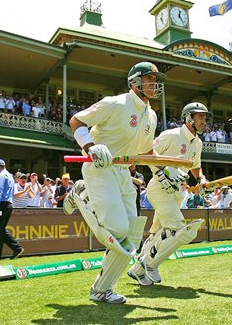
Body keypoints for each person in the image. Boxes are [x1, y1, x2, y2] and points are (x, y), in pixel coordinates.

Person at [63, 62, 165, 304]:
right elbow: (76, 121)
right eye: (149, 78)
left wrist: (162, 172)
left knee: (131, 235)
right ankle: (80, 192)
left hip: (122, 173)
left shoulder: (151, 115)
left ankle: (101, 290)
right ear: (134, 82)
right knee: (118, 229)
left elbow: (144, 151)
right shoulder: (115, 102)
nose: (154, 83)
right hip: (100, 167)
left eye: (155, 79)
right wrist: (90, 146)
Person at [129, 102, 210, 286]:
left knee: (158, 231)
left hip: (175, 191)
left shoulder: (197, 143)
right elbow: (147, 152)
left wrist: (201, 179)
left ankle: (137, 271)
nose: (204, 121)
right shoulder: (171, 135)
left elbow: (195, 166)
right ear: (189, 117)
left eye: (205, 117)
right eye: (200, 117)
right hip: (158, 188)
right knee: (178, 229)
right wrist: (161, 172)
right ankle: (150, 263)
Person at [0, 159, 23, 261]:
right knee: (0, 229)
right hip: (8, 205)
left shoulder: (0, 176)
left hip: (1, 205)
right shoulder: (9, 176)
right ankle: (16, 248)